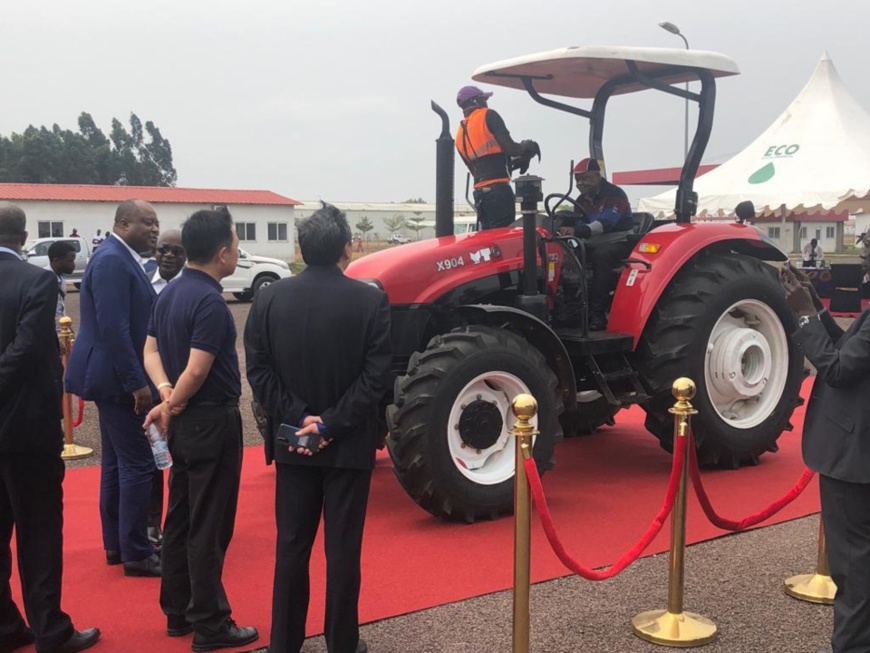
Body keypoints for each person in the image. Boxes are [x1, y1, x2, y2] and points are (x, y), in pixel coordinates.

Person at [245, 203, 392, 653]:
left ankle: (284, 643)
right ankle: (342, 643)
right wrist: (329, 422)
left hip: (294, 443)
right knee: (343, 550)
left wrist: (300, 418)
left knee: (291, 545)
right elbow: (377, 375)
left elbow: (259, 369)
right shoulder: (370, 298)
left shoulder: (269, 298)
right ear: (346, 246)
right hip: (347, 445)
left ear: (301, 248)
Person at [142, 208, 258, 651]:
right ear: (223, 252)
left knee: (182, 515)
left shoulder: (170, 293)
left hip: (187, 420)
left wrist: (165, 395)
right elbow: (198, 368)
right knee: (209, 524)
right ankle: (210, 622)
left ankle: (178, 609)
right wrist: (174, 400)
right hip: (209, 419)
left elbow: (150, 349)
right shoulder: (210, 301)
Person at [0, 203, 101, 653]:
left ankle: (4, 625)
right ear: (23, 236)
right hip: (27, 431)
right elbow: (25, 351)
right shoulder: (36, 280)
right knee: (39, 533)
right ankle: (51, 631)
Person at [65, 200, 162, 578]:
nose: (154, 229)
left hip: (111, 377)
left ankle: (117, 544)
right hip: (118, 379)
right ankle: (137, 552)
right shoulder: (111, 261)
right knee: (137, 463)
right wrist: (136, 381)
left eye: (156, 223)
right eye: (146, 223)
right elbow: (114, 328)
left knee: (116, 464)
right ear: (122, 224)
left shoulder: (119, 257)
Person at [781, 264, 870, 653]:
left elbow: (836, 368)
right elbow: (852, 350)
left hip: (855, 462)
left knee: (853, 571)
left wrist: (801, 313)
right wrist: (816, 309)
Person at [557, 158, 634, 330]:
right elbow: (578, 222)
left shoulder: (614, 194)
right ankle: (569, 306)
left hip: (619, 239)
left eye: (586, 178)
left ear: (598, 176)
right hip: (592, 240)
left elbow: (606, 224)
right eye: (577, 180)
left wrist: (577, 231)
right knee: (563, 255)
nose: (581, 183)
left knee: (601, 255)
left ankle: (597, 313)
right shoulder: (581, 199)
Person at [146, 229, 186, 551]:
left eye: (176, 250)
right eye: (163, 249)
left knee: (182, 462)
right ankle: (152, 526)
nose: (168, 255)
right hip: (152, 388)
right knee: (152, 462)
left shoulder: (192, 290)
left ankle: (179, 527)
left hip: (185, 392)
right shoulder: (142, 281)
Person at [455, 85, 540, 230]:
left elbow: (477, 169)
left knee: (489, 240)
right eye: (483, 99)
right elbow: (512, 149)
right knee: (503, 238)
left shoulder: (459, 134)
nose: (486, 102)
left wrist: (512, 163)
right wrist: (527, 146)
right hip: (498, 192)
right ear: (475, 101)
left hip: (479, 195)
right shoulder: (488, 115)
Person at [46, 240, 77, 335]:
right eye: (70, 261)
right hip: (50, 335)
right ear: (56, 261)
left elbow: (60, 308)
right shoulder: (44, 280)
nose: (73, 264)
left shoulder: (62, 277)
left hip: (61, 331)